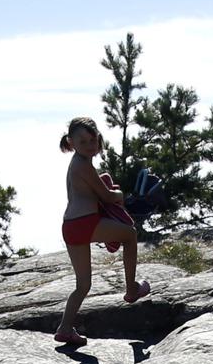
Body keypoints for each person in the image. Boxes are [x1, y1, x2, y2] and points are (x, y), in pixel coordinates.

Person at [55, 116, 151, 347]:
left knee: (83, 285)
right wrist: (120, 196)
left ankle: (65, 329)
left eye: (93, 140)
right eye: (83, 141)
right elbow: (106, 196)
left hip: (71, 226)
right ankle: (131, 289)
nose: (90, 145)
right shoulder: (83, 165)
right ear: (71, 142)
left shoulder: (78, 163)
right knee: (129, 234)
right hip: (86, 222)